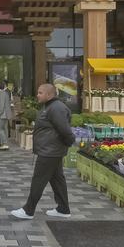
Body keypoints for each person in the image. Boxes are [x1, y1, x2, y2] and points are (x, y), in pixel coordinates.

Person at [11, 83, 75, 220]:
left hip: (50, 151)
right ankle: (63, 209)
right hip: (51, 150)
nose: (37, 95)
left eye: (40, 93)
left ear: (49, 94)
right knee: (57, 179)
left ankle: (28, 210)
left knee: (38, 180)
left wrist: (69, 142)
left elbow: (65, 130)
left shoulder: (56, 108)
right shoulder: (49, 107)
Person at [0, 80, 13, 150]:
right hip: (6, 114)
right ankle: (5, 143)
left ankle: (4, 143)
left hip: (2, 114)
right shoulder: (6, 93)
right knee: (5, 129)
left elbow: (1, 106)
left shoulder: (1, 94)